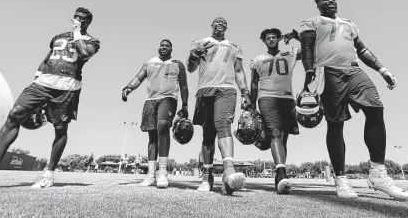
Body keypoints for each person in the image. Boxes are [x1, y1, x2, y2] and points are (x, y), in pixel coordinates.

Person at [292, 0, 408, 200]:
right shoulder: (311, 21)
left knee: (376, 108)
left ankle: (378, 173)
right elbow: (307, 48)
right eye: (325, 0)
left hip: (354, 70)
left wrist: (383, 70)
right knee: (336, 123)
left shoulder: (349, 24)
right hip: (327, 72)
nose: (330, 1)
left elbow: (362, 49)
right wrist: (309, 73)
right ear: (318, 5)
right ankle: (341, 179)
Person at [0, 7, 100, 189]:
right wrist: (37, 78)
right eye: (76, 17)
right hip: (42, 83)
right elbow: (47, 59)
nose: (78, 20)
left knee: (60, 128)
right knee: (15, 114)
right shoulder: (58, 36)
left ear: (88, 22)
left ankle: (49, 174)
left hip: (67, 88)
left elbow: (84, 53)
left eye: (82, 18)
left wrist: (77, 32)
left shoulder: (92, 41)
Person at [187, 17, 251, 195]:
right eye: (217, 21)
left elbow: (239, 71)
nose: (221, 23)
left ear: (226, 27)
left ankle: (228, 171)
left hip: (227, 89)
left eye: (224, 22)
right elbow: (190, 67)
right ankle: (207, 175)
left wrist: (245, 92)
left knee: (223, 125)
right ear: (212, 25)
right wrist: (194, 55)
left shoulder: (234, 46)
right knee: (208, 133)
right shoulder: (201, 42)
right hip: (205, 89)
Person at [122, 39, 189, 188]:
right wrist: (128, 88)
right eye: (162, 45)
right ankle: (151, 174)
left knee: (163, 126)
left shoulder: (178, 64)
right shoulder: (149, 63)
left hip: (169, 97)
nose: (164, 47)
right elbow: (139, 78)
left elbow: (184, 86)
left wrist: (185, 105)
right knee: (152, 135)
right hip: (151, 100)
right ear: (158, 48)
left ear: (172, 49)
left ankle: (163, 172)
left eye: (167, 45)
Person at [250, 28, 300, 194]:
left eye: (273, 37)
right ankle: (281, 173)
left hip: (287, 98)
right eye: (267, 38)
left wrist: (298, 37)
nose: (271, 40)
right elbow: (254, 83)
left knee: (284, 137)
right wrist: (252, 104)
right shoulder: (258, 59)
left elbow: (311, 49)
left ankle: (280, 173)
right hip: (266, 97)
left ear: (278, 38)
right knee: (275, 133)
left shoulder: (290, 54)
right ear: (264, 41)